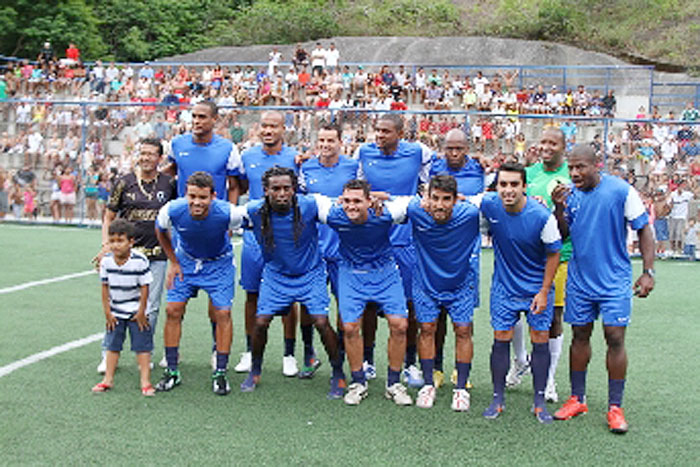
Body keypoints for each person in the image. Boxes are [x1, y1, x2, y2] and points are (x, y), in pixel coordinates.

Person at [551, 144, 655, 434]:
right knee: (579, 334)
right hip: (580, 279)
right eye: (571, 168)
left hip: (614, 280)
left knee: (615, 336)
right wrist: (558, 207)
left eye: (580, 167)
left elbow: (644, 229)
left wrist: (648, 272)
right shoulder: (569, 196)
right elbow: (562, 234)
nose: (574, 173)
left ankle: (615, 407)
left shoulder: (621, 191)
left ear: (596, 165)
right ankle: (577, 399)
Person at [239, 167, 345, 399]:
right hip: (276, 275)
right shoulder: (254, 211)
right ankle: (255, 370)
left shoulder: (309, 205)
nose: (282, 193)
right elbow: (221, 216)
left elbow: (343, 209)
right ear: (265, 191)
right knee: (261, 322)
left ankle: (338, 373)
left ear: (294, 189)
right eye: (275, 189)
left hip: (310, 273)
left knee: (320, 320)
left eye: (287, 188)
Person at [477, 164, 561, 423]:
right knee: (500, 338)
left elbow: (554, 253)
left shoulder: (542, 216)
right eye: (503, 184)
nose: (508, 190)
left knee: (540, 340)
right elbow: (459, 199)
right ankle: (497, 398)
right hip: (504, 286)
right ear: (497, 187)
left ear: (525, 186)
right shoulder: (489, 205)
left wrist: (544, 291)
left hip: (536, 288)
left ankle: (538, 402)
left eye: (514, 184)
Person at [318, 179, 412, 406]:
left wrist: (383, 196)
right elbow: (311, 199)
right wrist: (335, 201)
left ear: (369, 202)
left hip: (385, 272)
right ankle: (358, 382)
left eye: (357, 201)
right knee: (350, 327)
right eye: (347, 200)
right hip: (351, 272)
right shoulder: (333, 214)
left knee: (400, 325)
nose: (351, 206)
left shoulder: (386, 213)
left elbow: (412, 201)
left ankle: (393, 383)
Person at [355, 113, 432, 387]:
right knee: (369, 302)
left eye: (386, 131)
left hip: (406, 241)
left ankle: (410, 363)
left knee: (409, 305)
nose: (379, 136)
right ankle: (367, 360)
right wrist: (373, 197)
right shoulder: (364, 152)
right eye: (377, 130)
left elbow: (428, 187)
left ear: (400, 133)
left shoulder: (418, 153)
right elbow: (357, 189)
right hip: (373, 239)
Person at [164, 101, 241, 369]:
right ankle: (172, 355)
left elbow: (235, 184)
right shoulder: (177, 144)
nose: (196, 121)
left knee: (217, 304)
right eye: (193, 116)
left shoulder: (227, 149)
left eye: (202, 117)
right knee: (174, 304)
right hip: (185, 228)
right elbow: (169, 175)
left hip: (215, 226)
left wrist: (228, 218)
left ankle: (215, 348)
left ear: (215, 120)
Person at [154, 172, 247, 395]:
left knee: (223, 313)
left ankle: (220, 373)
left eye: (203, 197)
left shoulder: (229, 213)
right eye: (192, 196)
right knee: (172, 310)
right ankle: (172, 371)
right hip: (185, 262)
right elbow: (160, 230)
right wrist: (173, 262)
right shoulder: (172, 210)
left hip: (219, 264)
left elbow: (250, 226)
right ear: (186, 194)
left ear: (213, 196)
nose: (197, 202)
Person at [92, 138, 176, 374]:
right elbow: (109, 216)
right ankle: (108, 354)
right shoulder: (124, 182)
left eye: (151, 154)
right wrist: (106, 244)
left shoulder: (169, 184)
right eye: (142, 153)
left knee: (150, 307)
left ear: (160, 158)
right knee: (117, 303)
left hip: (156, 256)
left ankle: (144, 353)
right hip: (125, 257)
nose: (146, 158)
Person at [233, 110, 307, 377]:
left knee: (289, 295)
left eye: (273, 126)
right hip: (255, 238)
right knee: (251, 294)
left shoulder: (295, 158)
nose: (268, 130)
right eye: (264, 126)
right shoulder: (248, 156)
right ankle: (250, 350)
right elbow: (240, 187)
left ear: (282, 129)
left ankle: (289, 354)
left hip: (286, 238)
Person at [401, 175, 481, 411]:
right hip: (426, 282)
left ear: (456, 200)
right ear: (427, 197)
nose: (439, 204)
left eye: (446, 199)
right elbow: (387, 204)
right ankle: (428, 384)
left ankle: (461, 388)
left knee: (463, 330)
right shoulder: (416, 210)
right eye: (435, 198)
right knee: (426, 329)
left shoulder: (470, 213)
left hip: (461, 283)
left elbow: (497, 202)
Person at [508, 126, 570, 403]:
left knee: (553, 316)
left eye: (552, 143)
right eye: (543, 141)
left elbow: (568, 226)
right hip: (524, 255)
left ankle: (548, 378)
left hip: (559, 256)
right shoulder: (528, 175)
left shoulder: (570, 176)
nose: (546, 147)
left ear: (563, 147)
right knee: (514, 311)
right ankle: (521, 360)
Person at [299, 124, 359, 377]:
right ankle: (308, 354)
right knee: (306, 304)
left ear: (339, 142)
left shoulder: (352, 168)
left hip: (342, 252)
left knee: (342, 306)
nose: (325, 145)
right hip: (313, 252)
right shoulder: (306, 167)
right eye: (321, 140)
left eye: (330, 140)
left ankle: (340, 360)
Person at [428, 129, 484, 388]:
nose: (453, 153)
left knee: (463, 321)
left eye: (458, 148)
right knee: (435, 317)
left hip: (467, 254)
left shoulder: (479, 170)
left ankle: (461, 372)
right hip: (436, 251)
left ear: (467, 148)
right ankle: (436, 368)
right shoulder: (433, 168)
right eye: (449, 148)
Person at [92, 219, 154, 396]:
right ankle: (108, 380)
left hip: (136, 312)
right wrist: (108, 312)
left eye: (120, 241)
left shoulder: (139, 260)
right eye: (112, 241)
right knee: (112, 346)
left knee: (142, 347)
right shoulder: (106, 262)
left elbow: (145, 288)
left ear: (131, 242)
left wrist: (142, 312)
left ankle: (145, 381)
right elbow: (104, 288)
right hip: (116, 312)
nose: (115, 245)